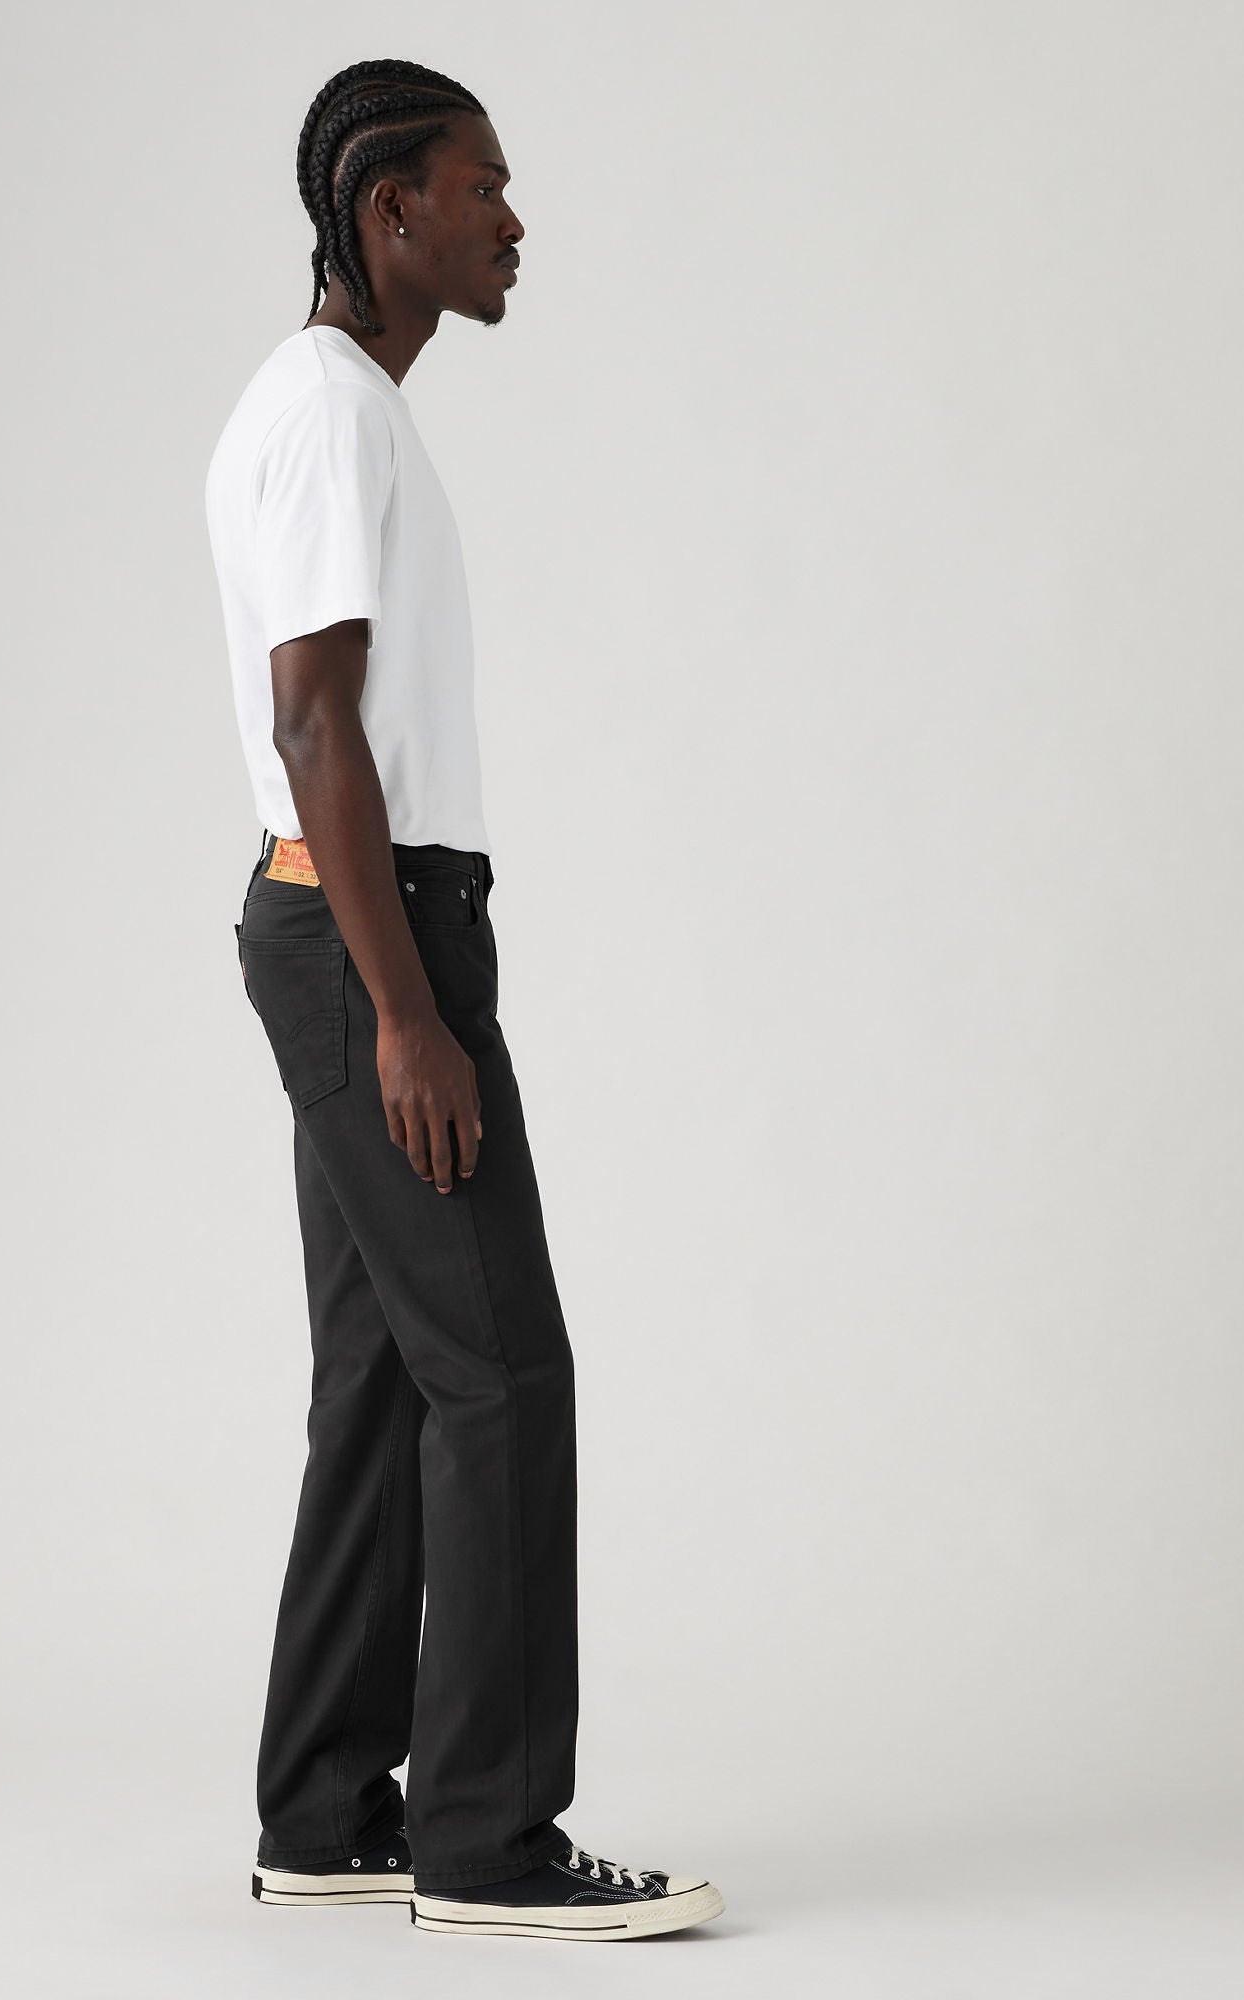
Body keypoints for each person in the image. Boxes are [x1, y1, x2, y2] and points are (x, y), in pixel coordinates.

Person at [203, 59, 724, 1943]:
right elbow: (314, 725)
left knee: (384, 1379)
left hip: (345, 923)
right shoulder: (329, 416)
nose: (514, 221)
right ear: (388, 211)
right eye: (484, 184)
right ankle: (488, 1839)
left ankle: (327, 1808)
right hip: (373, 941)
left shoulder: (333, 411)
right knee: (502, 1373)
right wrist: (409, 1015)